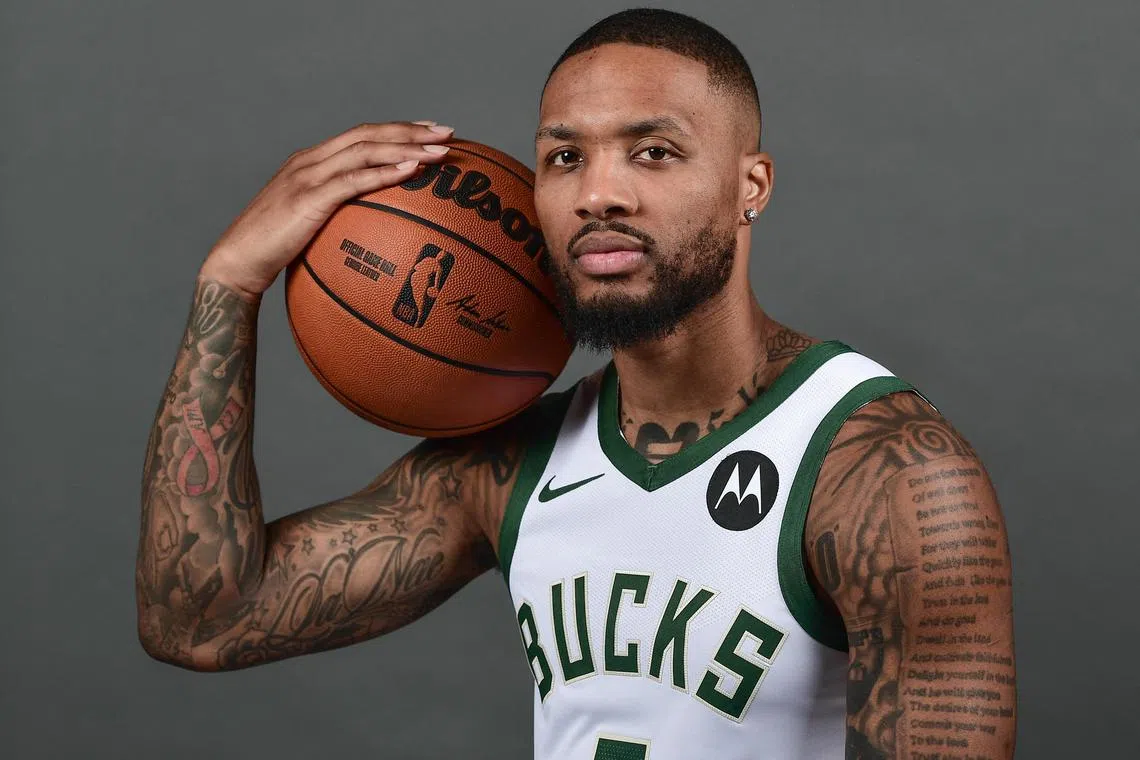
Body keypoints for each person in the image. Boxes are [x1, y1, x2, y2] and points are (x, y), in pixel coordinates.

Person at [136, 8, 1016, 759]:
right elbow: (202, 620)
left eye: (654, 153)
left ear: (752, 185)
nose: (601, 193)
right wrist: (230, 284)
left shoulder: (887, 473)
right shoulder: (514, 463)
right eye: (565, 158)